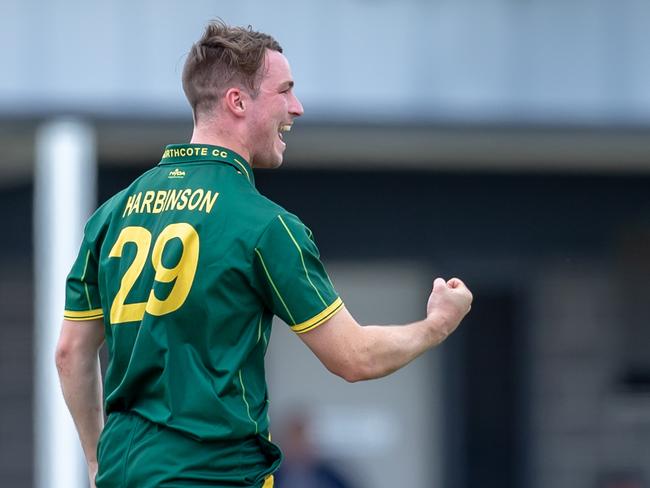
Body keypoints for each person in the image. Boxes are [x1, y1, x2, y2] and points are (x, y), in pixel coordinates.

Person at [55, 20, 473, 488]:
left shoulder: (110, 216)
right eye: (285, 91)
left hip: (124, 475)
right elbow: (355, 358)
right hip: (216, 478)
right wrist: (437, 325)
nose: (297, 108)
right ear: (238, 101)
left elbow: (71, 352)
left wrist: (96, 461)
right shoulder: (265, 226)